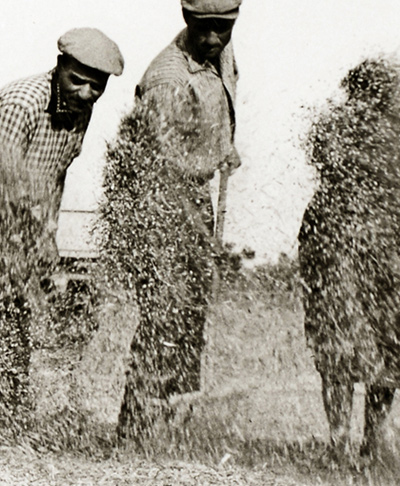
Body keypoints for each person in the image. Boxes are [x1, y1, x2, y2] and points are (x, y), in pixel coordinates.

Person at [0, 28, 123, 423]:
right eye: (77, 80)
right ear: (59, 66)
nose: (87, 93)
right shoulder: (22, 103)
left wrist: (48, 235)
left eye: (97, 86)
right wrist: (32, 241)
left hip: (19, 209)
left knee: (15, 310)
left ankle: (11, 408)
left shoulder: (81, 110)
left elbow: (54, 177)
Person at [298, 56, 400, 459]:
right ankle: (339, 444)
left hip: (392, 243)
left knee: (392, 340)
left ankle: (372, 443)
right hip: (340, 243)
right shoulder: (370, 135)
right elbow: (366, 210)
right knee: (340, 343)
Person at [116, 0, 241, 440]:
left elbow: (220, 96)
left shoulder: (220, 51)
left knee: (191, 315)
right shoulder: (168, 80)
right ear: (187, 20)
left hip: (192, 194)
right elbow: (154, 166)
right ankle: (136, 427)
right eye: (204, 29)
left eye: (222, 29)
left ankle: (173, 424)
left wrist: (223, 145)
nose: (213, 38)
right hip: (158, 202)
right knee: (165, 314)